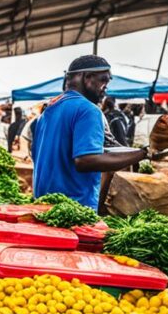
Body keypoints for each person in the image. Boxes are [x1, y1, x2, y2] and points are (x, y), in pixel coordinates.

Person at [32, 55, 148, 210]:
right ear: (87, 77)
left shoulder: (47, 112)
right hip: (73, 211)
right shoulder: (88, 110)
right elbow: (86, 160)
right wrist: (143, 154)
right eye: (103, 80)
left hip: (41, 206)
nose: (106, 88)